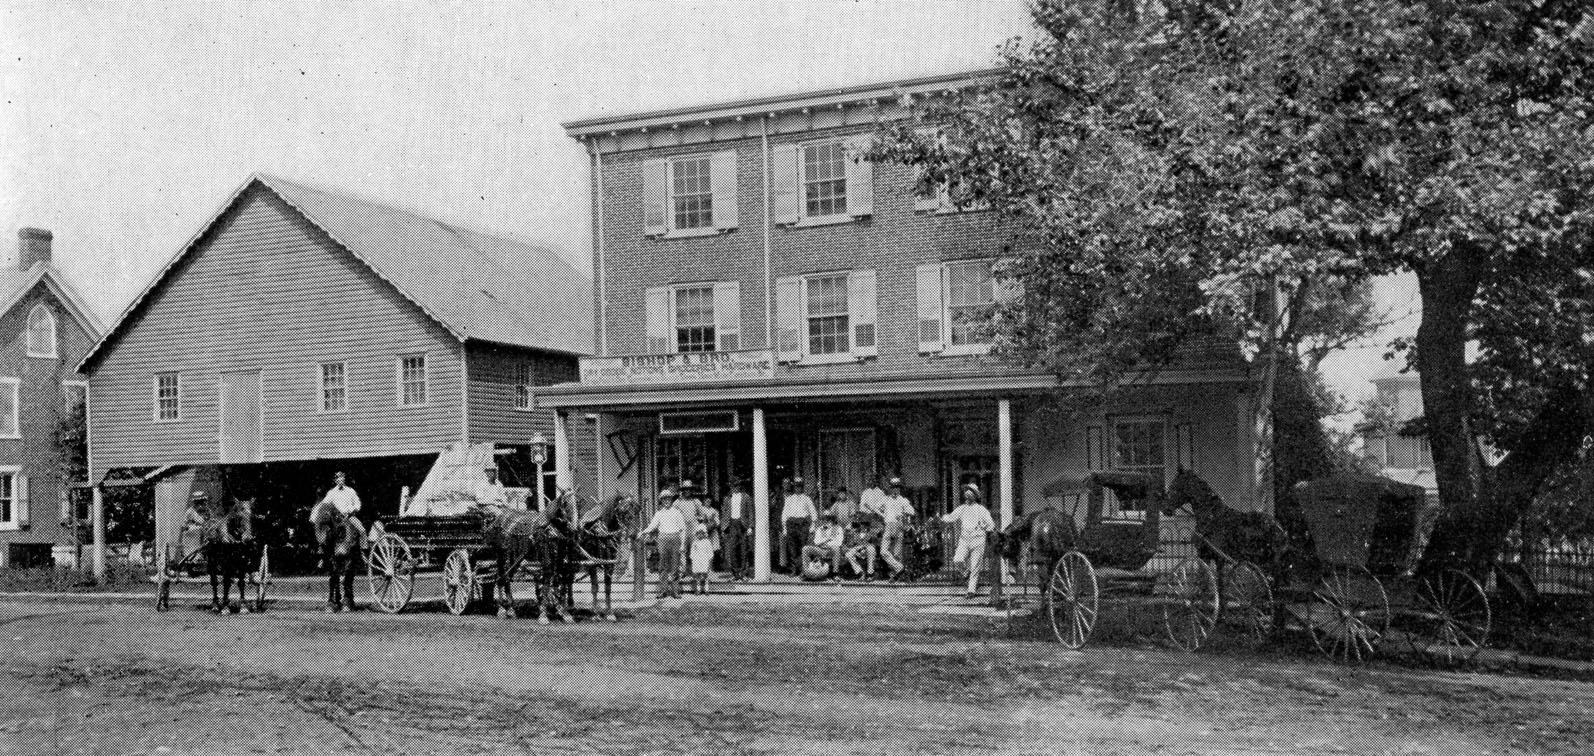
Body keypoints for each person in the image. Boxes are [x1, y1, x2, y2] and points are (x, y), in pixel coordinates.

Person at [942, 483, 997, 599]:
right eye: (966, 494)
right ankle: (966, 573)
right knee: (957, 560)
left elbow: (991, 524)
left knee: (975, 565)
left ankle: (971, 590)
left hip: (978, 539)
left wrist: (985, 528)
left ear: (975, 496)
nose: (967, 496)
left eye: (970, 494)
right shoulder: (962, 508)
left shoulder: (981, 510)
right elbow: (951, 517)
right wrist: (942, 518)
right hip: (964, 540)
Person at [638, 489, 687, 599]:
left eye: (668, 498)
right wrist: (643, 532)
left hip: (675, 538)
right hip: (663, 539)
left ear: (671, 500)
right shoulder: (659, 513)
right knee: (662, 566)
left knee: (675, 565)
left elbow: (683, 529)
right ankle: (663, 590)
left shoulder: (677, 512)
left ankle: (675, 590)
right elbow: (652, 526)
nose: (667, 501)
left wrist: (683, 544)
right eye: (664, 499)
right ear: (661, 501)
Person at [878, 478, 916, 580]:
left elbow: (912, 512)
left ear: (899, 489)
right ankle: (900, 568)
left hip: (898, 526)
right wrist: (883, 515)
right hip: (889, 526)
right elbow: (876, 508)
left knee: (896, 553)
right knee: (883, 551)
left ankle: (897, 576)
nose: (895, 490)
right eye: (893, 487)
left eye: (897, 487)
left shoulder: (903, 500)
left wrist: (903, 513)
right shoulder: (886, 499)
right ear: (890, 489)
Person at [780, 477, 817, 577]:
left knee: (803, 547)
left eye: (800, 487)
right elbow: (785, 513)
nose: (798, 489)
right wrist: (784, 527)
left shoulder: (807, 498)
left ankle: (803, 570)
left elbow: (813, 512)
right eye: (796, 487)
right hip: (791, 524)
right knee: (792, 548)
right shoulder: (789, 499)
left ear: (802, 487)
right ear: (794, 487)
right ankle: (794, 569)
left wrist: (813, 525)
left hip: (803, 524)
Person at [721, 479, 753, 581]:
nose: (735, 487)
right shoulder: (727, 498)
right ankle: (735, 573)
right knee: (733, 549)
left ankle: (743, 573)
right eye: (733, 486)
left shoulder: (746, 497)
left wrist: (750, 527)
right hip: (732, 524)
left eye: (736, 485)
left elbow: (751, 512)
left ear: (740, 486)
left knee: (744, 549)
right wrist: (723, 526)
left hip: (742, 524)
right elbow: (724, 513)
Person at [801, 514, 846, 583]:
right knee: (805, 548)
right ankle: (806, 572)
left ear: (832, 520)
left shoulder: (838, 528)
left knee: (836, 548)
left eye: (828, 520)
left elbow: (839, 542)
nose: (826, 522)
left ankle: (835, 574)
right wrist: (827, 540)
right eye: (825, 520)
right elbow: (816, 542)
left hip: (831, 550)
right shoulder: (821, 529)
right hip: (821, 549)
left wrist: (826, 544)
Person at [320, 471, 365, 537]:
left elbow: (357, 502)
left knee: (362, 530)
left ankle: (364, 547)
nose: (341, 480)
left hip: (350, 516)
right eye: (338, 478)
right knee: (344, 536)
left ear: (344, 479)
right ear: (335, 480)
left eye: (342, 478)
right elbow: (325, 504)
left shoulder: (350, 490)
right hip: (338, 518)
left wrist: (355, 509)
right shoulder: (332, 492)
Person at [845, 511, 881, 581]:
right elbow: (847, 532)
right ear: (859, 524)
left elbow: (877, 539)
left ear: (868, 525)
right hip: (858, 549)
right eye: (862, 523)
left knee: (871, 549)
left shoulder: (872, 531)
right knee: (848, 554)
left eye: (865, 524)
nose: (863, 525)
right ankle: (860, 573)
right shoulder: (855, 532)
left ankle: (870, 573)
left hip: (868, 548)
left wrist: (865, 546)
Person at [179, 491, 209, 556]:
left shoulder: (206, 511)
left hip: (203, 538)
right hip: (192, 539)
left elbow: (208, 522)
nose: (202, 504)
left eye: (203, 502)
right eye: (199, 502)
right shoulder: (190, 512)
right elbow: (183, 527)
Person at [689, 524, 715, 595]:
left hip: (705, 559)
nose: (699, 535)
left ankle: (706, 589)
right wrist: (693, 559)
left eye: (701, 533)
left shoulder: (707, 542)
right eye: (698, 534)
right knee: (697, 575)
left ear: (704, 534)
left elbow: (710, 552)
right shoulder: (695, 542)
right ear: (696, 534)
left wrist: (709, 560)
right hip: (697, 560)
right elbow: (692, 552)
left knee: (705, 575)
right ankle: (698, 589)